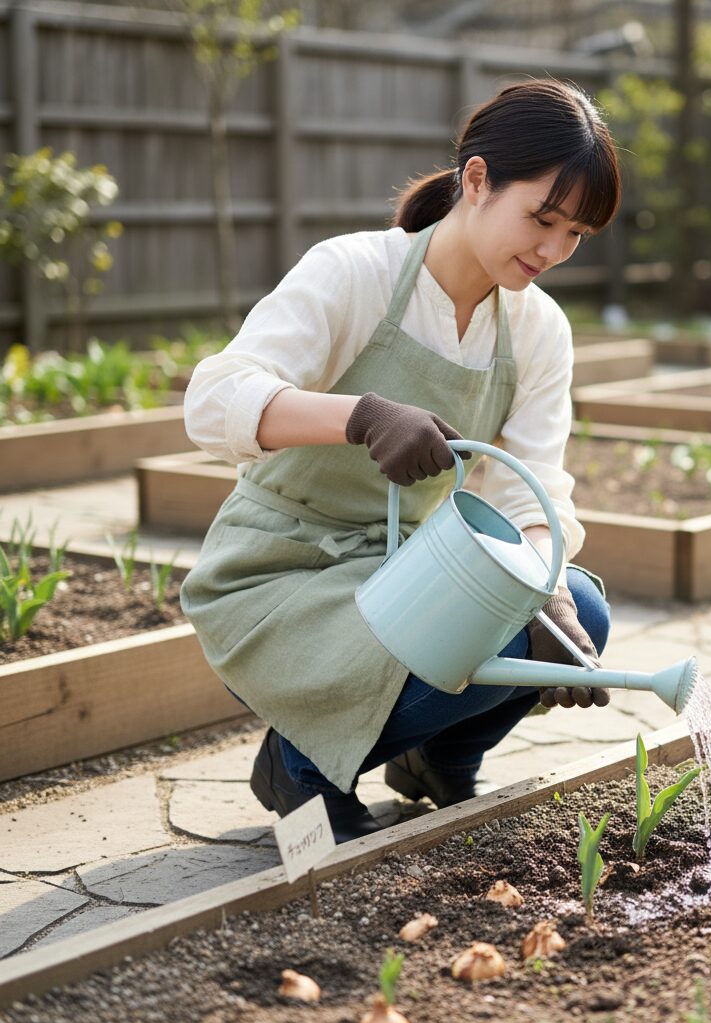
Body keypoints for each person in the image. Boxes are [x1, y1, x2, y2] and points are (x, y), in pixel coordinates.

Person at [179, 78, 622, 844]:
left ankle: (438, 757)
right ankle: (300, 763)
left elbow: (531, 495)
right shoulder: (355, 272)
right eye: (542, 219)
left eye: (575, 233)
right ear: (477, 180)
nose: (554, 251)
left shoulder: (539, 330)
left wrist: (542, 591)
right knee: (480, 626)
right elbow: (213, 401)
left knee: (580, 612)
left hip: (401, 565)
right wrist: (360, 416)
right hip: (283, 571)